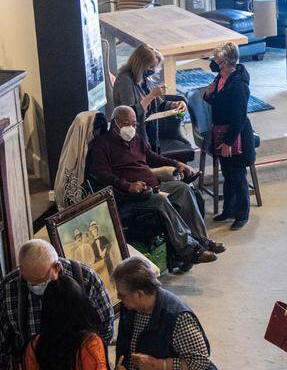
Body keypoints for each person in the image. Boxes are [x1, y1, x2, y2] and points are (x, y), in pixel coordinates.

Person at [86, 105, 222, 268]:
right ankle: (190, 250)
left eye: (134, 124)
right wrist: (128, 186)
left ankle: (202, 240)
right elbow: (103, 175)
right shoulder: (101, 145)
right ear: (115, 123)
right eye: (126, 123)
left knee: (183, 189)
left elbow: (153, 157)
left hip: (152, 186)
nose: (131, 127)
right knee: (160, 201)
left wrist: (177, 163)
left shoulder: (136, 139)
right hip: (130, 196)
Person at [0, 239, 114, 370]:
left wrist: (91, 362)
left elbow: (106, 326)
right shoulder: (10, 287)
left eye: (39, 281)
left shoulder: (86, 279)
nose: (33, 287)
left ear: (56, 267)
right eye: (29, 281)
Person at [203, 42, 256, 230]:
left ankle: (242, 214)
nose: (213, 63)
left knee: (237, 175)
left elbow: (239, 116)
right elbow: (217, 102)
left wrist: (227, 142)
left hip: (236, 135)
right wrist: (208, 95)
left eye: (216, 60)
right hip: (221, 130)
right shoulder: (221, 77)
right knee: (227, 173)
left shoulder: (239, 85)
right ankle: (229, 210)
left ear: (226, 62)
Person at [112, 44, 188, 150]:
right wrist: (151, 95)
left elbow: (159, 104)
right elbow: (130, 114)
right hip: (133, 137)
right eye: (151, 67)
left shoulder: (144, 78)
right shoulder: (125, 81)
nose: (153, 70)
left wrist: (174, 105)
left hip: (149, 131)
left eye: (155, 67)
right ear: (140, 65)